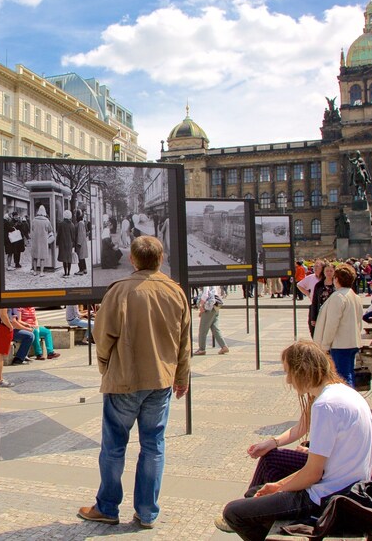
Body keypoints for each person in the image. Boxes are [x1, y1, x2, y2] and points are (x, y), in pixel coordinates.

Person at [77, 236, 191, 529]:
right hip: (160, 380)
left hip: (124, 380)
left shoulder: (119, 291)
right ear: (161, 258)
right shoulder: (176, 292)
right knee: (154, 446)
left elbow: (102, 337)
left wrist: (106, 367)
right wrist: (181, 377)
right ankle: (147, 512)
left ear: (132, 259)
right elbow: (184, 342)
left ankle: (107, 507)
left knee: (114, 446)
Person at [215, 340, 372, 540]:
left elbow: (313, 474)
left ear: (302, 371)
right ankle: (261, 517)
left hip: (331, 496)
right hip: (349, 485)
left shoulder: (325, 405)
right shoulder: (342, 392)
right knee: (255, 495)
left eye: (289, 373)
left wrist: (279, 489)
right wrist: (278, 486)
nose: (289, 381)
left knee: (234, 512)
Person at [313, 264, 364, 387]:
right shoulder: (355, 296)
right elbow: (359, 321)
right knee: (348, 373)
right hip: (352, 341)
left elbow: (331, 324)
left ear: (337, 279)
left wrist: (324, 345)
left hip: (340, 344)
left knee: (343, 377)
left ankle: (347, 402)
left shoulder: (338, 297)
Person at [194, 286, 229, 356]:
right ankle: (224, 346)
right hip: (216, 305)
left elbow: (205, 294)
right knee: (215, 328)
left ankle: (201, 349)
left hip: (209, 307)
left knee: (203, 330)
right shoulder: (215, 284)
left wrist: (201, 305)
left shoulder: (206, 283)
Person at [308, 262, 336, 337]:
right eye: (327, 271)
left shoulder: (337, 284)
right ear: (323, 272)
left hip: (334, 313)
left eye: (331, 271)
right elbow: (314, 301)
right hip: (321, 312)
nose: (329, 273)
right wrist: (313, 317)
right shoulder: (319, 285)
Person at [29, 206, 54, 277]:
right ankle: (42, 272)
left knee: (35, 257)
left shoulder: (34, 220)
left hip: (35, 240)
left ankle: (35, 271)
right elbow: (50, 229)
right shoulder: (46, 221)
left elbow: (32, 229)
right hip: (43, 240)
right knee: (42, 257)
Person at [56, 209, 76, 278]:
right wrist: (73, 244)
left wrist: (57, 242)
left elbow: (58, 234)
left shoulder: (61, 224)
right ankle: (69, 273)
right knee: (69, 258)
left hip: (62, 243)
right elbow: (73, 236)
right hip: (69, 243)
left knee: (64, 258)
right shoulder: (72, 225)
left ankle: (65, 272)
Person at [74, 209, 89, 276]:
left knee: (80, 257)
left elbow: (80, 234)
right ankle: (84, 269)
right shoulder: (82, 222)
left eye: (75, 214)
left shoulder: (80, 223)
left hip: (80, 243)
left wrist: (78, 243)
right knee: (82, 257)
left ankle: (81, 270)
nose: (74, 216)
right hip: (83, 242)